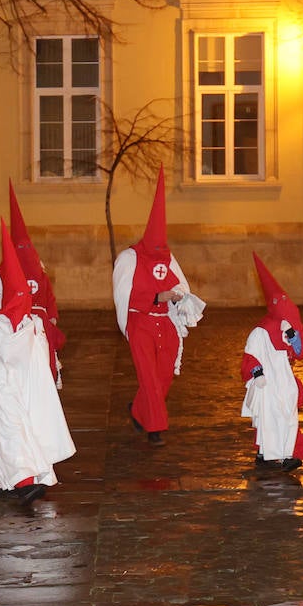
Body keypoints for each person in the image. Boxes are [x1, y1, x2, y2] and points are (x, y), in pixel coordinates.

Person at [111, 166, 205, 446]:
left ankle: (139, 410)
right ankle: (155, 429)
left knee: (163, 376)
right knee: (149, 378)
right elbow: (123, 295)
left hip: (165, 323)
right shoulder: (129, 259)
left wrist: (177, 296)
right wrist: (156, 298)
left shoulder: (167, 256)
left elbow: (182, 285)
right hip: (141, 323)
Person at [0, 219, 76, 505]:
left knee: (28, 432)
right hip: (4, 388)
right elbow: (10, 353)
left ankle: (20, 480)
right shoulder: (0, 323)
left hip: (26, 388)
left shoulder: (32, 322)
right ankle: (23, 483)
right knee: (12, 436)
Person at [240, 253, 303, 473]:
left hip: (286, 381)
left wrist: (294, 339)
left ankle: (293, 453)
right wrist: (256, 372)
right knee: (266, 418)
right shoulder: (261, 331)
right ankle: (264, 452)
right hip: (268, 383)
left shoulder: (292, 325)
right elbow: (250, 356)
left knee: (289, 416)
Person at [0, 183, 65, 386]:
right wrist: (8, 309)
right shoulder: (0, 274)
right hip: (16, 324)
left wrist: (53, 315)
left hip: (40, 322)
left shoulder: (39, 270)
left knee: (44, 358)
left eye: (26, 247)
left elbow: (48, 294)